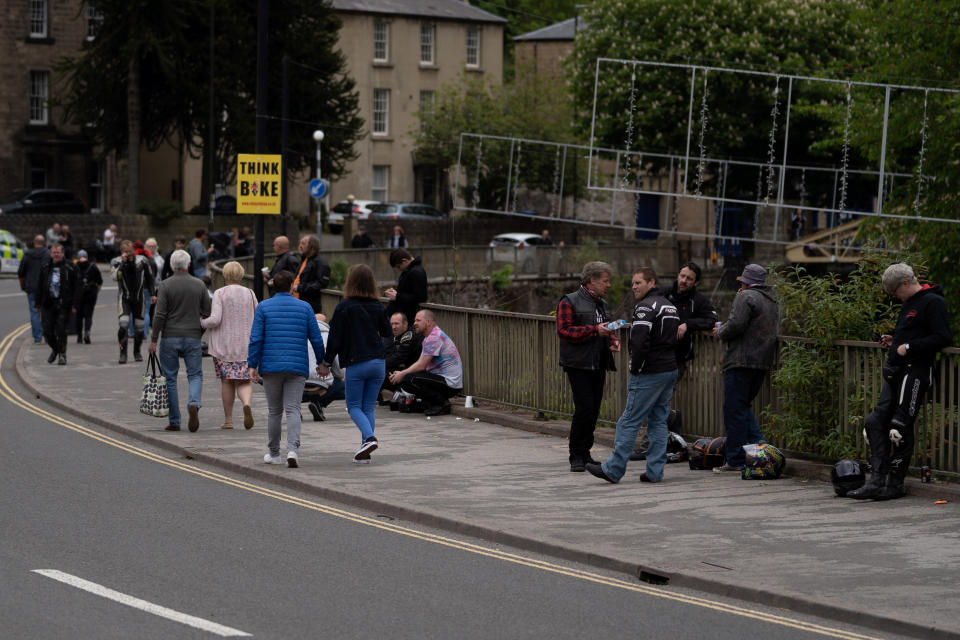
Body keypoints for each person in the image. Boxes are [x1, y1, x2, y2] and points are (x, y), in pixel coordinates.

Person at [846, 263, 952, 500]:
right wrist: (895, 341)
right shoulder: (909, 304)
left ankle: (894, 484)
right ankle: (876, 480)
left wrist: (909, 346)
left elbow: (943, 336)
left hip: (916, 371)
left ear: (905, 283)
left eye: (895, 292)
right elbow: (916, 332)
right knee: (874, 423)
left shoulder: (933, 302)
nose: (894, 297)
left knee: (900, 428)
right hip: (896, 371)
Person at [586, 268, 680, 484]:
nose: (634, 287)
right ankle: (655, 472)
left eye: (639, 282)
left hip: (650, 372)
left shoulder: (644, 308)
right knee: (658, 421)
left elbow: (639, 342)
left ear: (651, 282)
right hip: (670, 369)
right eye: (633, 283)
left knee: (629, 420)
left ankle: (613, 469)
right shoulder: (670, 306)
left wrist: (636, 369)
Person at [247, 270, 325, 467]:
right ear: (292, 286)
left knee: (274, 411)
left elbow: (256, 338)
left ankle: (274, 453)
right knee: (293, 409)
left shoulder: (264, 307)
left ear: (273, 285)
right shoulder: (305, 307)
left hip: (271, 366)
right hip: (297, 366)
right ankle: (293, 450)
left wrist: (252, 365)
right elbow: (316, 338)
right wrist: (322, 362)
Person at [713, 264, 780, 473]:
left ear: (746, 281)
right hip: (761, 361)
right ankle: (762, 450)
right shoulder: (772, 301)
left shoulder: (746, 296)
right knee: (742, 407)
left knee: (734, 410)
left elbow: (736, 324)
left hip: (741, 360)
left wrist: (720, 331)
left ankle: (735, 459)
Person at [322, 264, 392, 462]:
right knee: (368, 407)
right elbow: (387, 333)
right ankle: (365, 450)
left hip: (357, 362)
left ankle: (369, 438)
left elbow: (334, 338)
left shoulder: (344, 307)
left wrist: (326, 362)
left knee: (353, 406)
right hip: (378, 362)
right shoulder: (378, 306)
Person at [556, 261, 621, 472]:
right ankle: (576, 454)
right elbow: (564, 331)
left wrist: (612, 339)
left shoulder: (601, 303)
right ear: (591, 280)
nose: (608, 285)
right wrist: (594, 331)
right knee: (584, 409)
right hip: (578, 363)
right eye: (605, 280)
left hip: (598, 362)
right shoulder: (569, 301)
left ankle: (586, 453)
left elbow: (606, 327)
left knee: (593, 410)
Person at [149, 249, 211, 432]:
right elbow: (207, 313)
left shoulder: (165, 285)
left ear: (171, 265)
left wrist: (153, 339)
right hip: (192, 336)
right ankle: (194, 402)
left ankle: (175, 421)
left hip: (169, 337)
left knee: (170, 378)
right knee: (195, 375)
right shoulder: (199, 285)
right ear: (189, 264)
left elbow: (159, 315)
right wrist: (199, 332)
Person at [200, 261, 258, 430]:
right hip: (246, 346)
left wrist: (202, 322)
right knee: (244, 380)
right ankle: (246, 403)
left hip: (224, 346)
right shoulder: (250, 293)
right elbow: (257, 315)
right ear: (241, 275)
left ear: (225, 275)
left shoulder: (220, 293)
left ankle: (228, 420)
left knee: (227, 381)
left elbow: (216, 319)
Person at [389, 309, 463, 417]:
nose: (414, 323)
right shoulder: (429, 337)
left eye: (418, 320)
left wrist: (402, 373)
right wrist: (402, 373)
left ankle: (441, 403)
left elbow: (421, 365)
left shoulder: (434, 337)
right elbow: (420, 362)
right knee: (407, 378)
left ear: (428, 322)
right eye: (414, 321)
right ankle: (429, 403)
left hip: (449, 383)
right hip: (440, 379)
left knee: (409, 379)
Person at [34, 244, 80, 365]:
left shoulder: (70, 267)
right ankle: (56, 349)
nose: (56, 254)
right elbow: (39, 286)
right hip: (48, 303)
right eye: (54, 252)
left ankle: (62, 355)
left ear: (62, 253)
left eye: (58, 252)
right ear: (50, 253)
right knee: (47, 332)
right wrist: (37, 303)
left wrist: (75, 304)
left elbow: (77, 287)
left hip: (64, 303)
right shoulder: (45, 266)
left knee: (61, 330)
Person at [111, 240, 156, 364]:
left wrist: (152, 294)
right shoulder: (116, 262)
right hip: (124, 298)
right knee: (123, 326)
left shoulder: (142, 260)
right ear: (121, 252)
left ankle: (137, 352)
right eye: (125, 252)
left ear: (133, 250)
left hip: (139, 299)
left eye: (130, 251)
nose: (128, 254)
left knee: (140, 329)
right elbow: (115, 277)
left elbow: (150, 277)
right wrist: (123, 264)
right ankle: (123, 353)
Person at [304, 313, 346, 422]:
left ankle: (294, 410)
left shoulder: (300, 335)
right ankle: (320, 403)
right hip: (321, 384)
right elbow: (340, 371)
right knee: (343, 384)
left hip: (299, 385)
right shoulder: (331, 338)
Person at [381, 311, 423, 396]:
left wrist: (378, 364)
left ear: (405, 324)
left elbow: (399, 357)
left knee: (378, 373)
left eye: (397, 324)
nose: (393, 327)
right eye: (392, 324)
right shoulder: (398, 335)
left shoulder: (409, 335)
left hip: (415, 373)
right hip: (407, 370)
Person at [17, 235, 49, 343]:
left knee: (34, 312)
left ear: (34, 243)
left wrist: (23, 286)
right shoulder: (48, 254)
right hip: (45, 287)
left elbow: (21, 272)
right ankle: (47, 335)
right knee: (46, 311)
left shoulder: (27, 255)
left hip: (31, 287)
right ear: (44, 243)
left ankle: (37, 337)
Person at [384, 248, 427, 326]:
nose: (399, 270)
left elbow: (421, 296)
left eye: (398, 266)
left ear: (404, 261)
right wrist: (395, 293)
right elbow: (407, 291)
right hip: (401, 318)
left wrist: (397, 296)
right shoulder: (411, 271)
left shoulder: (416, 272)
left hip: (406, 319)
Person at [291, 234, 330, 314]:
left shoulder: (321, 262)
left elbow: (321, 283)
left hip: (309, 306)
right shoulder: (304, 259)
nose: (300, 246)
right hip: (297, 303)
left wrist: (300, 288)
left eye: (303, 243)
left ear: (312, 246)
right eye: (300, 243)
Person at [74, 250, 102, 344]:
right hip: (91, 293)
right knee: (88, 315)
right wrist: (96, 291)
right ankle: (87, 332)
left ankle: (79, 336)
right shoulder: (93, 267)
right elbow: (100, 281)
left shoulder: (75, 267)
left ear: (78, 257)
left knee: (78, 316)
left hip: (78, 295)